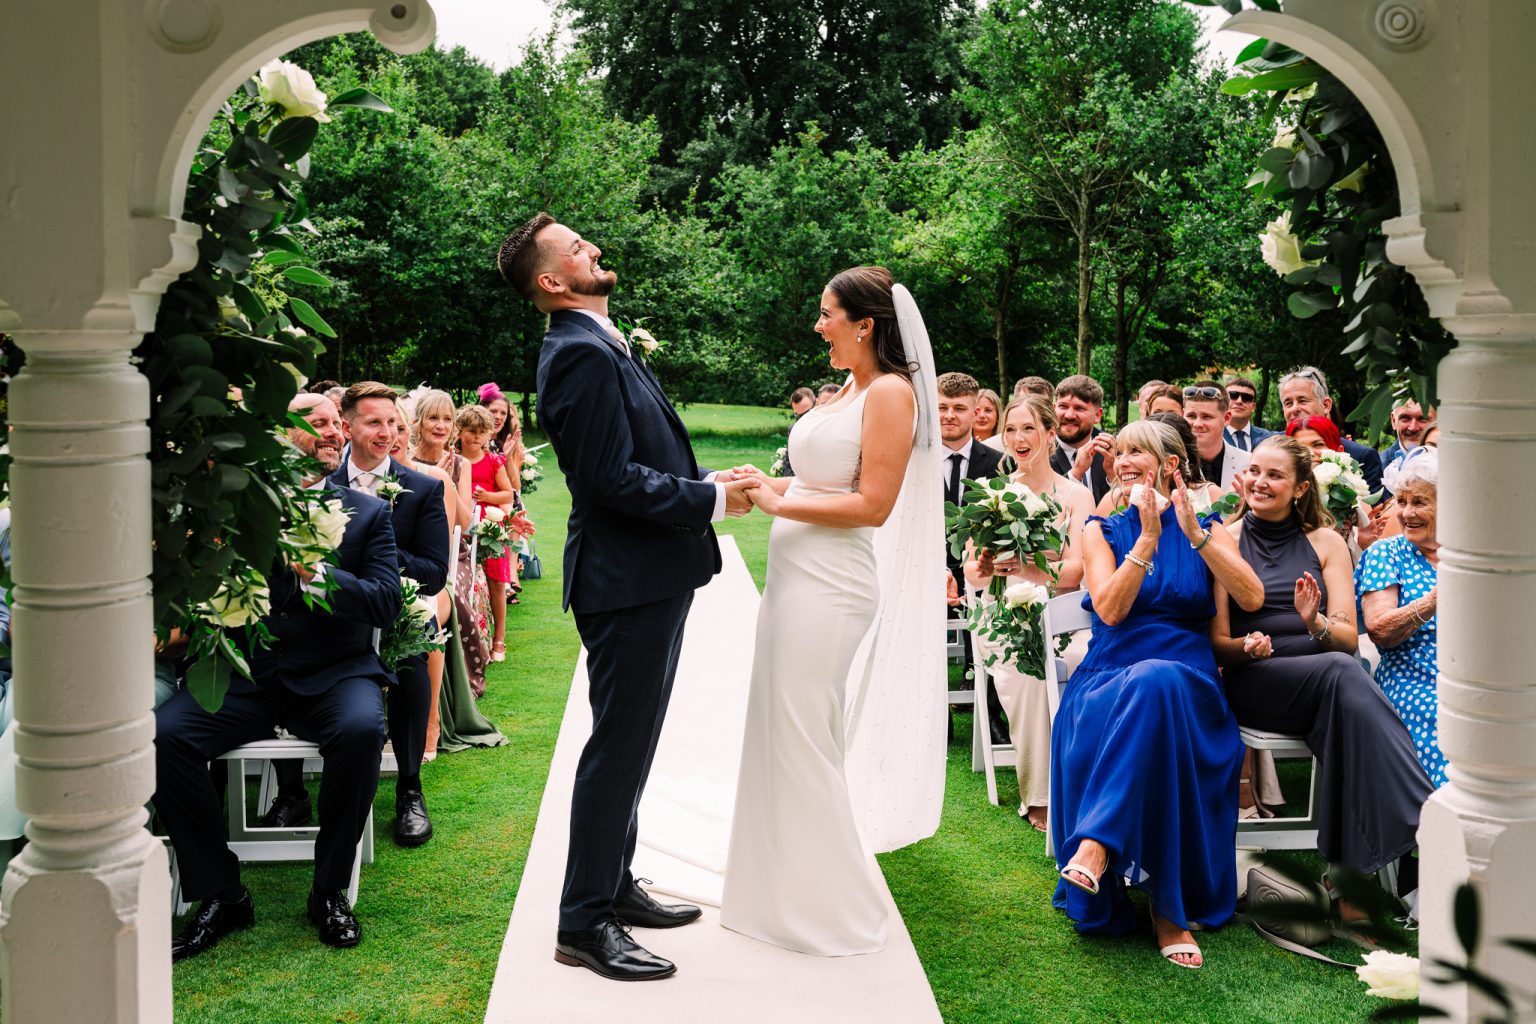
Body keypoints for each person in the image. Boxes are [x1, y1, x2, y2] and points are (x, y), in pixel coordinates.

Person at [499, 212, 755, 982]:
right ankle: (583, 923)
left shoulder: (602, 342)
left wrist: (703, 483)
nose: (594, 249)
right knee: (617, 748)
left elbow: (639, 452)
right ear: (551, 281)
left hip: (650, 574)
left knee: (634, 741)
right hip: (625, 580)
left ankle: (615, 884)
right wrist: (708, 504)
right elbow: (608, 480)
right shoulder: (576, 354)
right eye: (577, 248)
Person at [722, 265, 943, 956]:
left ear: (864, 324)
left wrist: (777, 503)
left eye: (827, 314)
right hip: (794, 580)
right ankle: (777, 884)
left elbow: (872, 504)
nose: (819, 325)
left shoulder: (891, 395)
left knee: (806, 734)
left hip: (833, 587)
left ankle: (829, 899)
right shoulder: (846, 389)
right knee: (778, 727)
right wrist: (766, 481)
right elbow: (823, 477)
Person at [155, 393, 401, 959]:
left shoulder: (367, 515)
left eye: (336, 424)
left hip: (336, 676)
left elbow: (387, 602)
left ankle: (329, 890)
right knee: (166, 736)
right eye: (316, 424)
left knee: (363, 731)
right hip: (247, 679)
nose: (334, 433)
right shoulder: (238, 514)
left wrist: (319, 578)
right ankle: (221, 892)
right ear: (279, 437)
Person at [1051, 419, 1264, 970]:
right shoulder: (1101, 529)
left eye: (1137, 452)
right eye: (1118, 452)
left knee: (1162, 679)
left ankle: (1096, 847)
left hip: (1191, 683)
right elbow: (1112, 610)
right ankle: (1165, 911)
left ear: (1170, 465)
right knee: (1150, 681)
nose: (1122, 460)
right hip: (1109, 680)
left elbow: (1251, 594)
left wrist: (1192, 534)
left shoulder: (1207, 526)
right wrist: (1145, 538)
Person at [1213, 436, 1429, 907]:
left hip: (1327, 681)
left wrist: (1316, 623)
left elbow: (1349, 638)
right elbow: (1217, 646)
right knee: (1345, 674)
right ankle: (1422, 814)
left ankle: (1349, 891)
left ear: (1300, 488)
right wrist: (1248, 648)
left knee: (1345, 704)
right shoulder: (1223, 542)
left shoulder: (1326, 542)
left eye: (1275, 475)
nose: (1259, 482)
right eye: (1254, 471)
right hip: (1260, 680)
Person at [963, 394, 1092, 831]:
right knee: (1030, 667)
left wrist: (1029, 567)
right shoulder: (993, 493)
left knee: (1089, 657)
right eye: (1011, 430)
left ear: (1050, 435)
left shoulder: (1076, 495)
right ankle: (1041, 794)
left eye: (1028, 429)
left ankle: (1089, 780)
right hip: (1005, 613)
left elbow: (1076, 571)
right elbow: (973, 572)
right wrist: (981, 568)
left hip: (1065, 611)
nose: (1018, 438)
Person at [1358, 446, 1445, 786]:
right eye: (1401, 501)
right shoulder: (1387, 552)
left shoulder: (1474, 553)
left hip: (1481, 676)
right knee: (1454, 722)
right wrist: (1432, 601)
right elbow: (1380, 630)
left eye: (1419, 502)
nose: (1406, 513)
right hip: (1416, 679)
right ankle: (1454, 829)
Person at [935, 371, 1007, 744]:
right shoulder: (917, 462)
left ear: (976, 410)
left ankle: (992, 713)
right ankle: (935, 714)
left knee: (1001, 613)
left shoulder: (997, 463)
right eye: (942, 407)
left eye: (959, 408)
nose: (949, 415)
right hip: (928, 573)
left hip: (984, 571)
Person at [411, 390, 491, 700]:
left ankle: (459, 678)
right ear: (419, 423)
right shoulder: (406, 460)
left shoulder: (460, 464)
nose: (441, 425)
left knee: (450, 593)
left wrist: (445, 481)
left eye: (447, 419)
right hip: (414, 551)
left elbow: (465, 522)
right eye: (433, 417)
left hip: (451, 553)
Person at [457, 405, 516, 663]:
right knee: (465, 580)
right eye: (471, 431)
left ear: (489, 434)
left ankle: (499, 638)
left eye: (482, 432)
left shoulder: (493, 461)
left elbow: (508, 493)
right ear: (459, 431)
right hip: (461, 526)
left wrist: (487, 496)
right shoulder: (453, 458)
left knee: (495, 581)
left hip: (489, 527)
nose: (476, 437)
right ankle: (471, 636)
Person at [1278, 366, 1384, 492]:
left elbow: (1377, 510)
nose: (1294, 409)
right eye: (1288, 403)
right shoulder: (1269, 447)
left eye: (1303, 400)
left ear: (1326, 405)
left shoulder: (1362, 457)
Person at [1050, 375, 1113, 504]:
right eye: (1063, 406)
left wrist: (1113, 475)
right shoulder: (1038, 451)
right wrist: (1076, 473)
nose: (1069, 415)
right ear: (1053, 409)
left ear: (1097, 415)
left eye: (1079, 408)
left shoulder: (1112, 451)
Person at [1182, 381, 1251, 492]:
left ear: (1227, 418)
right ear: (1182, 415)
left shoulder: (1248, 464)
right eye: (1191, 416)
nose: (1198, 424)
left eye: (1207, 417)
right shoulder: (1171, 465)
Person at [1381, 397, 1436, 486]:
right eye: (1405, 418)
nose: (1413, 428)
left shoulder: (1455, 464)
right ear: (1394, 421)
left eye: (1422, 419)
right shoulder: (1377, 467)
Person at [1223, 376, 1275, 451]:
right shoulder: (1213, 436)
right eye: (1233, 395)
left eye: (1246, 398)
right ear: (1223, 402)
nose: (1239, 401)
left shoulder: (1266, 437)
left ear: (1253, 406)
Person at [782, 386, 817, 477]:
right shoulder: (793, 429)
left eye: (806, 413)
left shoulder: (827, 427)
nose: (803, 420)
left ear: (816, 404)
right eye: (798, 416)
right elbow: (788, 460)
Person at [479, 382, 515, 455]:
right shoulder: (473, 444)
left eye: (503, 413)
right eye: (493, 411)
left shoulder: (505, 444)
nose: (498, 417)